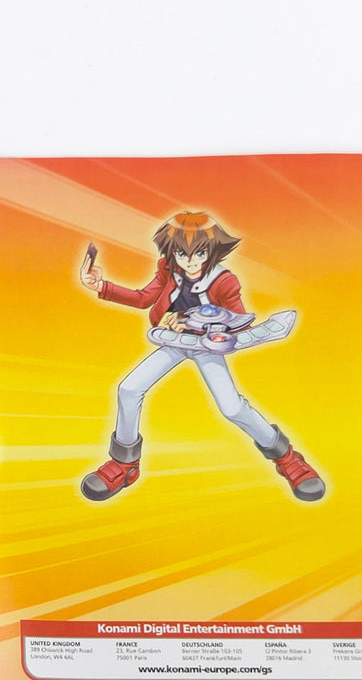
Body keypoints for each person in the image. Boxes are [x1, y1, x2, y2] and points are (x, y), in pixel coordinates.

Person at [80, 211, 324, 503]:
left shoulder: (224, 281)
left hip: (207, 346)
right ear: (172, 252)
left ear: (212, 250)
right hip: (174, 342)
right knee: (129, 389)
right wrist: (102, 287)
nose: (191, 261)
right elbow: (144, 298)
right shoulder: (168, 269)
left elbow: (239, 322)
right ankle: (124, 464)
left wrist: (195, 321)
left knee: (232, 408)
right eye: (182, 254)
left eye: (200, 253)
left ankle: (286, 457)